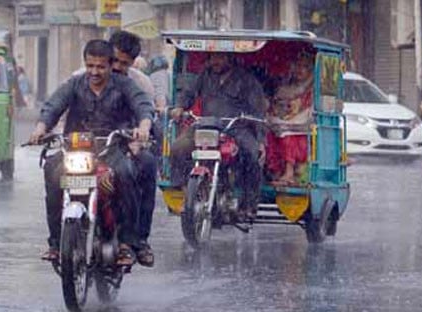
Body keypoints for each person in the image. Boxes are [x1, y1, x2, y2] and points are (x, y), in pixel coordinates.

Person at [30, 39, 153, 266]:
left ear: (110, 65)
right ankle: (56, 243)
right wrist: (40, 128)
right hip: (75, 150)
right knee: (52, 170)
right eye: (90, 66)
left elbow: (142, 105)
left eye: (100, 67)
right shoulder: (75, 84)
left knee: (126, 173)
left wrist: (143, 127)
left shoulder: (124, 85)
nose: (94, 72)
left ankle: (127, 243)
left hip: (112, 149)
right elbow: (53, 105)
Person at [170, 52, 267, 217]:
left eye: (220, 57)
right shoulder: (204, 76)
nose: (216, 62)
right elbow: (188, 93)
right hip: (207, 125)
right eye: (213, 57)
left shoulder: (246, 80)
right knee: (178, 147)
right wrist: (179, 106)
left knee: (252, 155)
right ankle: (187, 194)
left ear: (230, 59)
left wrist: (260, 140)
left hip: (236, 128)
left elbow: (257, 111)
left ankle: (248, 203)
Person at [107, 30, 158, 267]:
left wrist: (141, 135)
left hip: (128, 144)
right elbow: (64, 109)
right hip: (92, 146)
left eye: (123, 63)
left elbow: (145, 112)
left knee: (147, 165)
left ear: (133, 63)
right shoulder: (84, 76)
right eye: (113, 60)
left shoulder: (141, 83)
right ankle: (59, 241)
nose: (116, 67)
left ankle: (138, 239)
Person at [266, 52, 314, 185]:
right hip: (285, 121)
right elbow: (278, 101)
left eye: (304, 67)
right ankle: (275, 171)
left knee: (288, 136)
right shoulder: (286, 85)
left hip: (304, 126)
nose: (299, 70)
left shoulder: (313, 88)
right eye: (297, 66)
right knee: (269, 133)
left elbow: (306, 108)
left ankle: (289, 171)